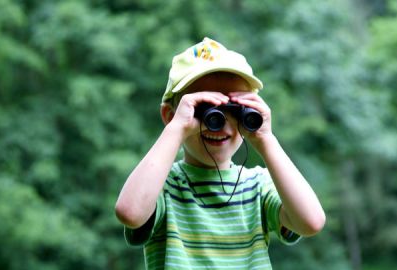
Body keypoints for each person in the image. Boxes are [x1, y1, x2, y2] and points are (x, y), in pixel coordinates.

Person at [115, 37, 326, 269]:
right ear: (169, 115)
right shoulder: (162, 186)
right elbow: (130, 213)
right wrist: (177, 128)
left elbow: (311, 222)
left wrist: (266, 139)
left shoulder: (259, 185)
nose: (221, 122)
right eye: (205, 109)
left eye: (235, 109)